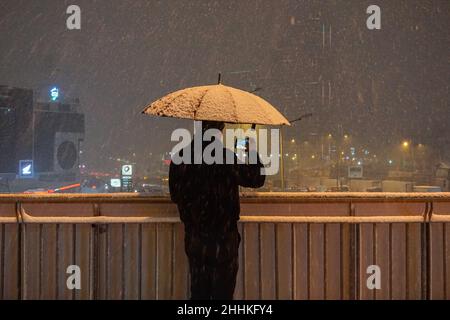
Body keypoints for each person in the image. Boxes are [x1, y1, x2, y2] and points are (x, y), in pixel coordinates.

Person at [169, 121, 265, 300]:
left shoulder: (180, 157)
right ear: (219, 132)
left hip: (196, 237)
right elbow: (256, 178)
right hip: (224, 238)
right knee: (223, 294)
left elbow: (175, 195)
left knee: (199, 294)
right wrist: (251, 150)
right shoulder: (226, 157)